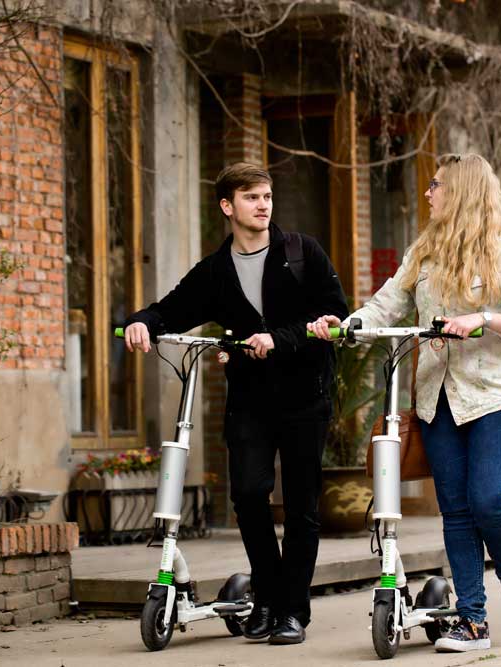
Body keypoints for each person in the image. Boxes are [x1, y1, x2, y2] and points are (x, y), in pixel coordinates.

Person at [308, 153, 501, 653]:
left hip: (496, 396)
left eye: (436, 185)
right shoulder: (424, 252)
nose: (427, 193)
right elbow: (386, 303)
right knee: (457, 511)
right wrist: (346, 325)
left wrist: (484, 319)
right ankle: (473, 621)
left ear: (460, 190)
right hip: (436, 398)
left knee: (489, 499)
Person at [124, 162, 348, 645]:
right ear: (228, 206)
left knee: (302, 507)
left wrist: (281, 339)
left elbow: (335, 315)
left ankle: (292, 611)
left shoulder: (301, 252)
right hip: (249, 399)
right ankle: (267, 597)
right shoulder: (216, 271)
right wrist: (141, 321)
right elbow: (171, 309)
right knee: (248, 495)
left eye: (267, 196)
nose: (263, 204)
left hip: (305, 396)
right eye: (251, 197)